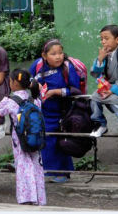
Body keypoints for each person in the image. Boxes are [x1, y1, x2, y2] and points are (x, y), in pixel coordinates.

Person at [0, 69, 46, 205]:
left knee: (23, 166)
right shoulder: (35, 100)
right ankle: (39, 199)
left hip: (19, 140)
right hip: (35, 138)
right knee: (36, 166)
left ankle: (27, 198)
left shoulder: (9, 101)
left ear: (14, 83)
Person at [29, 39, 81, 183]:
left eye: (60, 53)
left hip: (62, 111)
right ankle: (46, 170)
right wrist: (36, 85)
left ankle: (62, 173)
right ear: (44, 56)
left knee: (59, 140)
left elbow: (75, 90)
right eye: (53, 54)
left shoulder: (67, 68)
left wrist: (55, 92)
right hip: (42, 110)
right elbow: (29, 78)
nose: (58, 56)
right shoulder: (38, 64)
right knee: (44, 139)